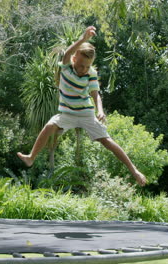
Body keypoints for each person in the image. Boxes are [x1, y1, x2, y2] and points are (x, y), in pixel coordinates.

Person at [17, 26, 147, 187]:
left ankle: (134, 170)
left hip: (86, 114)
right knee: (50, 125)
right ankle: (31, 157)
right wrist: (83, 39)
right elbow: (68, 52)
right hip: (67, 113)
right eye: (81, 66)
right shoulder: (65, 67)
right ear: (73, 60)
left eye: (87, 66)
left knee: (106, 141)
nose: (83, 70)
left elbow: (95, 95)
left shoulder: (90, 73)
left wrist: (100, 110)